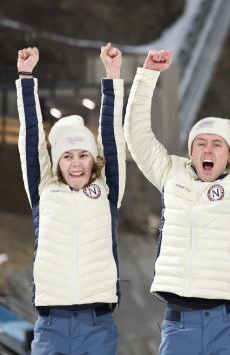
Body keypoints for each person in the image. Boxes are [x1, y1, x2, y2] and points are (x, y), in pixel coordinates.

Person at [123, 50, 230, 355]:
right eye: (200, 143)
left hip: (225, 321)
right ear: (191, 151)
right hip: (178, 321)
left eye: (216, 144)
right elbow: (137, 135)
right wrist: (147, 77)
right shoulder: (171, 173)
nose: (207, 149)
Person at [16, 44, 126, 355]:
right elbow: (30, 137)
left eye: (83, 155)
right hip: (51, 324)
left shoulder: (107, 191)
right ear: (56, 162)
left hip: (98, 322)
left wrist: (112, 75)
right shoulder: (44, 190)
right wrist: (26, 77)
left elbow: (112, 136)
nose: (76, 163)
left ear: (94, 160)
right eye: (67, 156)